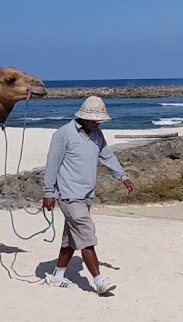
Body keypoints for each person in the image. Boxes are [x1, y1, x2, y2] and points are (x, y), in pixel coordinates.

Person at [42, 96, 135, 294]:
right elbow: (52, 164)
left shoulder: (96, 134)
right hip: (68, 195)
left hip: (86, 196)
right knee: (87, 236)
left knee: (72, 239)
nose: (97, 124)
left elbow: (107, 156)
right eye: (94, 120)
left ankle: (58, 276)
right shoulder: (63, 134)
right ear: (83, 118)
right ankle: (99, 280)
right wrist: (48, 192)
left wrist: (123, 177)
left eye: (99, 121)